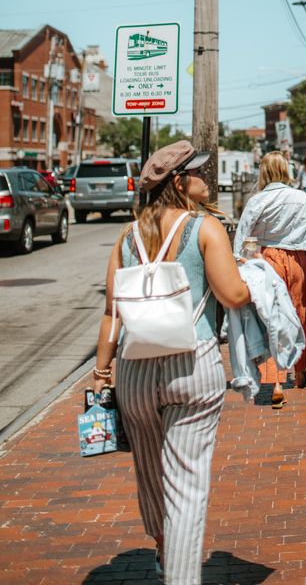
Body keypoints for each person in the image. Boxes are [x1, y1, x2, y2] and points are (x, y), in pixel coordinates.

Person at [93, 140, 252, 585]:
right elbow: (232, 294)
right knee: (186, 483)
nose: (209, 178)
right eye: (200, 172)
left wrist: (102, 371)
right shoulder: (205, 227)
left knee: (149, 472)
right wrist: (259, 281)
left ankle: (164, 550)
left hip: (134, 370)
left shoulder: (127, 235)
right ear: (179, 182)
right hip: (191, 364)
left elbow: (112, 312)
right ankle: (181, 575)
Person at [233, 151, 306, 406]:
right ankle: (299, 369)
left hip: (268, 258)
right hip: (298, 261)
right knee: (298, 312)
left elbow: (242, 235)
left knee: (271, 315)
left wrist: (238, 261)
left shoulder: (257, 200)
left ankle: (275, 381)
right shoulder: (302, 198)